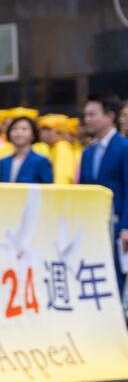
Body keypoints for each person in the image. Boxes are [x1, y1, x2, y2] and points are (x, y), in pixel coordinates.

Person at [78, 94, 128, 293]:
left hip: (119, 229)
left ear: (109, 116)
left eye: (92, 114)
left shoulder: (124, 147)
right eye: (85, 115)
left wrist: (126, 226)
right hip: (95, 229)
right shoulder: (87, 153)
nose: (87, 119)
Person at [0, 116, 53, 184]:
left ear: (33, 135)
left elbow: (48, 189)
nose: (19, 132)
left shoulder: (41, 161)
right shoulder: (3, 162)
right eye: (15, 128)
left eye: (24, 129)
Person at [38, 114, 77, 185]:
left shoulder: (62, 148)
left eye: (48, 129)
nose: (43, 132)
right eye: (42, 129)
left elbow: (62, 178)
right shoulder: (53, 148)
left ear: (60, 133)